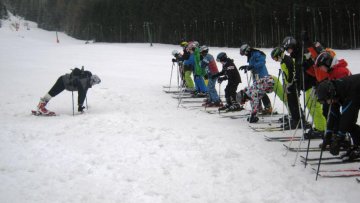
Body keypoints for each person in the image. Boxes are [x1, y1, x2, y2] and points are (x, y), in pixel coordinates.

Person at [316, 75, 360, 160]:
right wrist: (328, 134)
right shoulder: (335, 92)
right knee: (349, 125)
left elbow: (347, 117)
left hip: (356, 91)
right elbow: (333, 115)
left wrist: (339, 139)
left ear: (330, 93)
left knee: (348, 123)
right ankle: (358, 146)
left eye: (327, 100)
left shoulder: (348, 91)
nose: (328, 102)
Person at [314, 52, 352, 149]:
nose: (321, 69)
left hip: (349, 99)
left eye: (322, 67)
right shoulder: (332, 71)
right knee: (331, 112)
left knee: (346, 119)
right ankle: (333, 136)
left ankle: (343, 138)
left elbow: (344, 90)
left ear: (327, 63)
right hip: (340, 98)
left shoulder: (340, 71)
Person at [36, 67, 101, 115]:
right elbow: (82, 94)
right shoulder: (84, 82)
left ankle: (41, 105)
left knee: (52, 93)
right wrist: (80, 106)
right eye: (95, 83)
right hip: (63, 82)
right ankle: (41, 106)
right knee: (52, 93)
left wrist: (80, 105)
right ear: (92, 80)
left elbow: (83, 93)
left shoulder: (86, 79)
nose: (94, 84)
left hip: (64, 80)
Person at [271, 47, 302, 130]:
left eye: (275, 58)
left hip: (293, 85)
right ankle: (294, 118)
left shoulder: (288, 60)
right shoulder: (283, 61)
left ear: (279, 55)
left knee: (294, 102)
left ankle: (298, 120)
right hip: (289, 85)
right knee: (291, 102)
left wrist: (289, 84)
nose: (275, 60)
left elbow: (292, 74)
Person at [238, 44, 272, 115]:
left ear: (247, 50)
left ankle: (268, 108)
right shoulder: (250, 56)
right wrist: (247, 67)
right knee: (256, 92)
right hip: (256, 75)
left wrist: (251, 66)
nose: (245, 55)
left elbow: (261, 63)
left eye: (244, 53)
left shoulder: (257, 53)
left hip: (262, 75)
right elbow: (252, 65)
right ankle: (258, 108)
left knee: (262, 92)